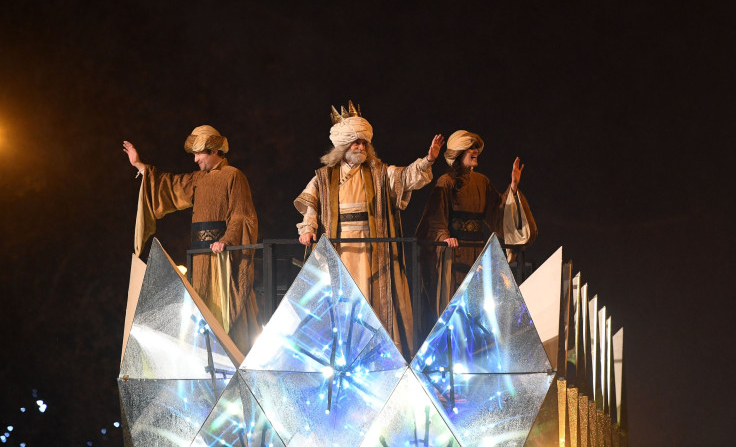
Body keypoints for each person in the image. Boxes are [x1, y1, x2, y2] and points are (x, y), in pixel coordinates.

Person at [294, 101, 444, 357]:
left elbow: (407, 177)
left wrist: (428, 159)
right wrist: (307, 229)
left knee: (372, 300)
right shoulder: (324, 176)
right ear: (343, 145)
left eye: (364, 143)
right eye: (356, 143)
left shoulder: (379, 172)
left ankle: (379, 354)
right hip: (341, 249)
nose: (361, 147)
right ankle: (343, 353)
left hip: (373, 247)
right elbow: (310, 206)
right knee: (342, 303)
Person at [123, 126, 259, 354]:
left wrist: (226, 240)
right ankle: (207, 356)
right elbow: (170, 186)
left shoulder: (233, 176)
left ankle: (233, 354)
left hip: (220, 257)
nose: (195, 160)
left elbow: (242, 214)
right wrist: (140, 166)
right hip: (199, 257)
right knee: (201, 312)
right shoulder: (198, 178)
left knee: (224, 310)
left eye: (199, 154)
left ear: (215, 151)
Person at [415, 129, 537, 331]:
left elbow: (498, 213)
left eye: (475, 148)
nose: (475, 151)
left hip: (478, 253)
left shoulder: (482, 182)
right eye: (470, 148)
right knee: (456, 308)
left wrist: (514, 186)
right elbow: (434, 219)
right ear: (458, 153)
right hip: (454, 257)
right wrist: (444, 237)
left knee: (480, 307)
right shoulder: (445, 182)